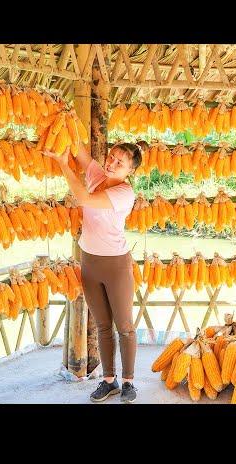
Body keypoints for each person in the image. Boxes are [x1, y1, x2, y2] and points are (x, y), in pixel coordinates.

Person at [44, 141, 144, 403]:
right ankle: (109, 381)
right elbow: (78, 146)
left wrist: (64, 165)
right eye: (111, 157)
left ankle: (129, 382)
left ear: (130, 171)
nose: (111, 163)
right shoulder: (97, 173)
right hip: (90, 261)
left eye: (119, 163)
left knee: (124, 327)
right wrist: (65, 118)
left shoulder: (124, 193)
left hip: (116, 265)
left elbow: (84, 198)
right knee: (102, 325)